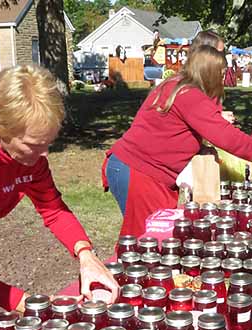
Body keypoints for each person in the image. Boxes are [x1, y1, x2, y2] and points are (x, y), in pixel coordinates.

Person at [0, 64, 119, 330]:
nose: (43, 156)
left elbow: (53, 208)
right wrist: (31, 305)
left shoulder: (31, 157)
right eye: (32, 145)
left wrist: (87, 256)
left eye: (48, 144)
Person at [103, 45, 252, 239]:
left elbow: (173, 131)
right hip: (139, 172)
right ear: (210, 72)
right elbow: (228, 138)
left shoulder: (176, 85)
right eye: (221, 73)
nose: (223, 79)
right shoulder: (190, 95)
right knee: (147, 241)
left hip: (140, 171)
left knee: (158, 238)